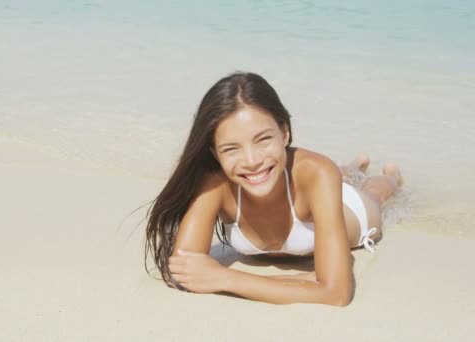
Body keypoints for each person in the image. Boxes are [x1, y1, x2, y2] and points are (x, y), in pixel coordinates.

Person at [144, 72, 402, 306]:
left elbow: (336, 293)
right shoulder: (215, 183)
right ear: (215, 153)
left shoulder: (319, 173)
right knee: (326, 174)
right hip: (302, 181)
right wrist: (304, 282)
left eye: (263, 139)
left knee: (373, 194)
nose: (251, 160)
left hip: (351, 211)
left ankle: (390, 175)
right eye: (231, 149)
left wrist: (225, 278)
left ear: (285, 133)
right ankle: (353, 166)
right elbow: (184, 267)